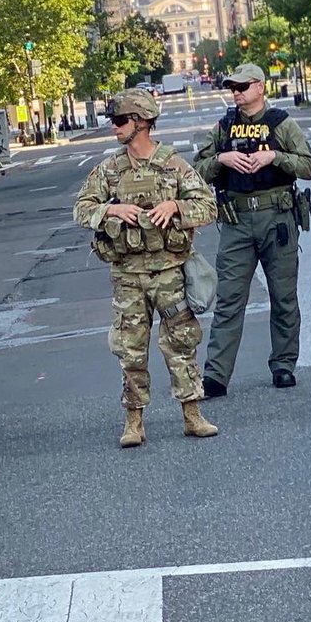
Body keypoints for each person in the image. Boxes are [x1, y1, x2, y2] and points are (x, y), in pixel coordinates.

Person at [74, 88, 219, 448]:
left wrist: (176, 208)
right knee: (130, 349)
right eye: (114, 121)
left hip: (169, 270)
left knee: (181, 343)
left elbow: (208, 206)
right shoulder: (109, 169)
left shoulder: (173, 164)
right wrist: (109, 211)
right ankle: (134, 422)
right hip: (127, 274)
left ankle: (192, 414)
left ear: (141, 123)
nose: (115, 128)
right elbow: (81, 209)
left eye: (120, 121)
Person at [195, 62, 311, 393]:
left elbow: (308, 166)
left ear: (260, 87)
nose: (236, 93)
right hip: (235, 221)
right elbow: (196, 171)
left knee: (283, 296)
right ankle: (216, 375)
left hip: (276, 218)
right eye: (232, 88)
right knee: (229, 299)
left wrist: (274, 157)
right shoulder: (224, 126)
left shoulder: (281, 123)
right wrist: (222, 160)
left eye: (242, 87)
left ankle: (283, 365)